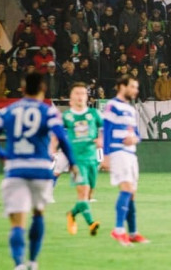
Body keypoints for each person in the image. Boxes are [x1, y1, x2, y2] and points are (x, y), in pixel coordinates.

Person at [0, 72, 78, 270]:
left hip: (16, 170)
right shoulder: (49, 112)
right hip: (41, 171)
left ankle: (19, 264)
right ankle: (33, 262)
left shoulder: (10, 110)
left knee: (17, 222)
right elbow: (62, 138)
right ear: (43, 90)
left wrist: (2, 156)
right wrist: (74, 163)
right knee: (38, 214)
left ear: (23, 89)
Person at [101, 75, 149, 246]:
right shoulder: (112, 105)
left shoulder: (131, 109)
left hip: (130, 153)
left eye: (136, 87)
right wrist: (106, 156)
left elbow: (136, 134)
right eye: (133, 87)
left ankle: (134, 232)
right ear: (122, 86)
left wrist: (134, 139)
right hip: (117, 151)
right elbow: (106, 131)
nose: (136, 90)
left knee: (132, 194)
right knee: (126, 188)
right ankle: (118, 230)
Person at [63, 82, 103, 236]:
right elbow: (56, 133)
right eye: (76, 93)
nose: (80, 96)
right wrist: (53, 147)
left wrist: (101, 139)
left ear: (87, 97)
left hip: (92, 159)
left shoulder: (94, 114)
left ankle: (71, 214)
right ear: (71, 98)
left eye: (82, 93)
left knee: (89, 194)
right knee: (83, 192)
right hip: (76, 161)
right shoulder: (66, 116)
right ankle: (91, 223)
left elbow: (104, 129)